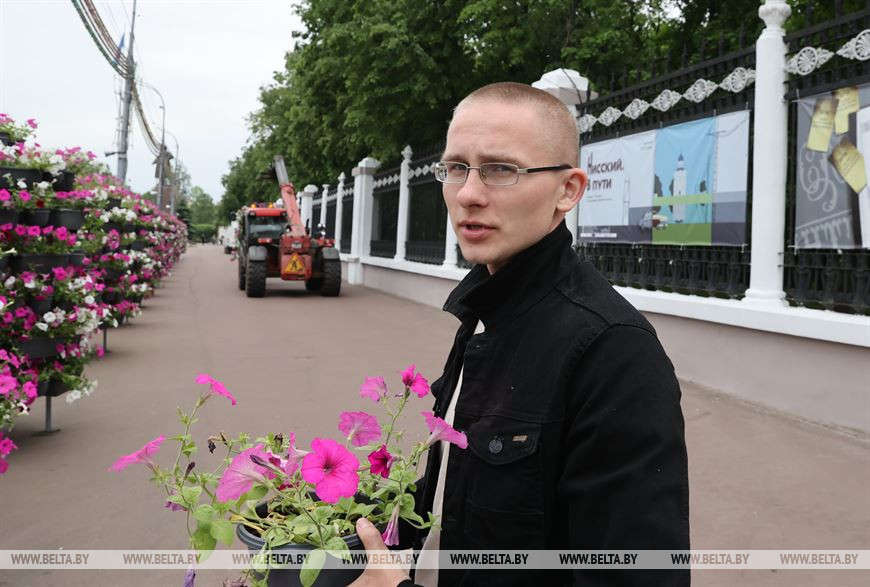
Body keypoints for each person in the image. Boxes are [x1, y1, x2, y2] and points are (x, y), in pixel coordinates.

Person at [350, 82, 690, 586]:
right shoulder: (486, 309)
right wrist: (348, 510)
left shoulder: (614, 353)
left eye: (500, 169)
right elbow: (472, 493)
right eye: (456, 167)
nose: (468, 193)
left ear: (567, 190)